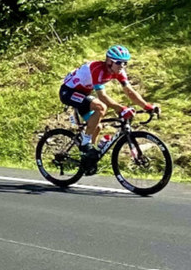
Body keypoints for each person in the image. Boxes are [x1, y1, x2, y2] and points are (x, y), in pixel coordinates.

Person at [59, 44, 158, 173]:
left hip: (83, 94)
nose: (122, 66)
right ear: (109, 61)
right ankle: (85, 144)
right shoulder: (97, 69)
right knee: (101, 107)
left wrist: (147, 106)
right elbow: (102, 96)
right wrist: (121, 108)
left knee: (97, 126)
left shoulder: (119, 72)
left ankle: (87, 159)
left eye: (125, 63)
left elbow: (130, 92)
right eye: (119, 63)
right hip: (68, 92)